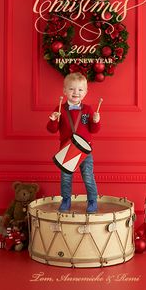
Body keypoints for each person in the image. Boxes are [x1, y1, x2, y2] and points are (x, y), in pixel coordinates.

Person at [47, 72, 101, 213]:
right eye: (71, 89)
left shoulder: (88, 110)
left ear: (85, 92)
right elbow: (52, 130)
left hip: (84, 151)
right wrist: (53, 120)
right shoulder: (60, 109)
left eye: (80, 89)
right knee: (66, 178)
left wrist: (96, 121)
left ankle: (92, 200)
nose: (76, 92)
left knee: (88, 177)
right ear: (64, 91)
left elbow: (94, 130)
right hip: (66, 150)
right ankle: (66, 200)